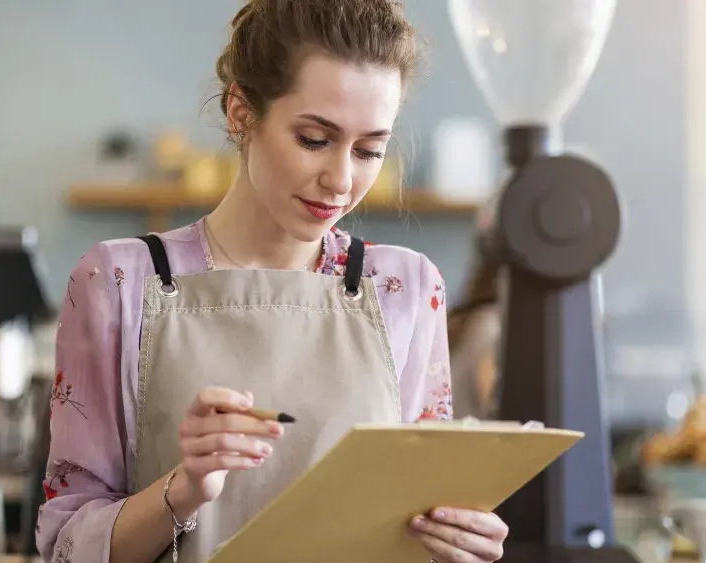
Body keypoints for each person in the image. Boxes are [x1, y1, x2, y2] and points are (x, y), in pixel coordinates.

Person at [36, 1, 509, 562]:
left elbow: (412, 526)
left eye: (369, 150)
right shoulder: (116, 282)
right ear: (240, 111)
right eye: (314, 139)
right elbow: (65, 546)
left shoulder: (405, 288)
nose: (340, 180)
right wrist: (184, 490)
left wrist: (457, 545)